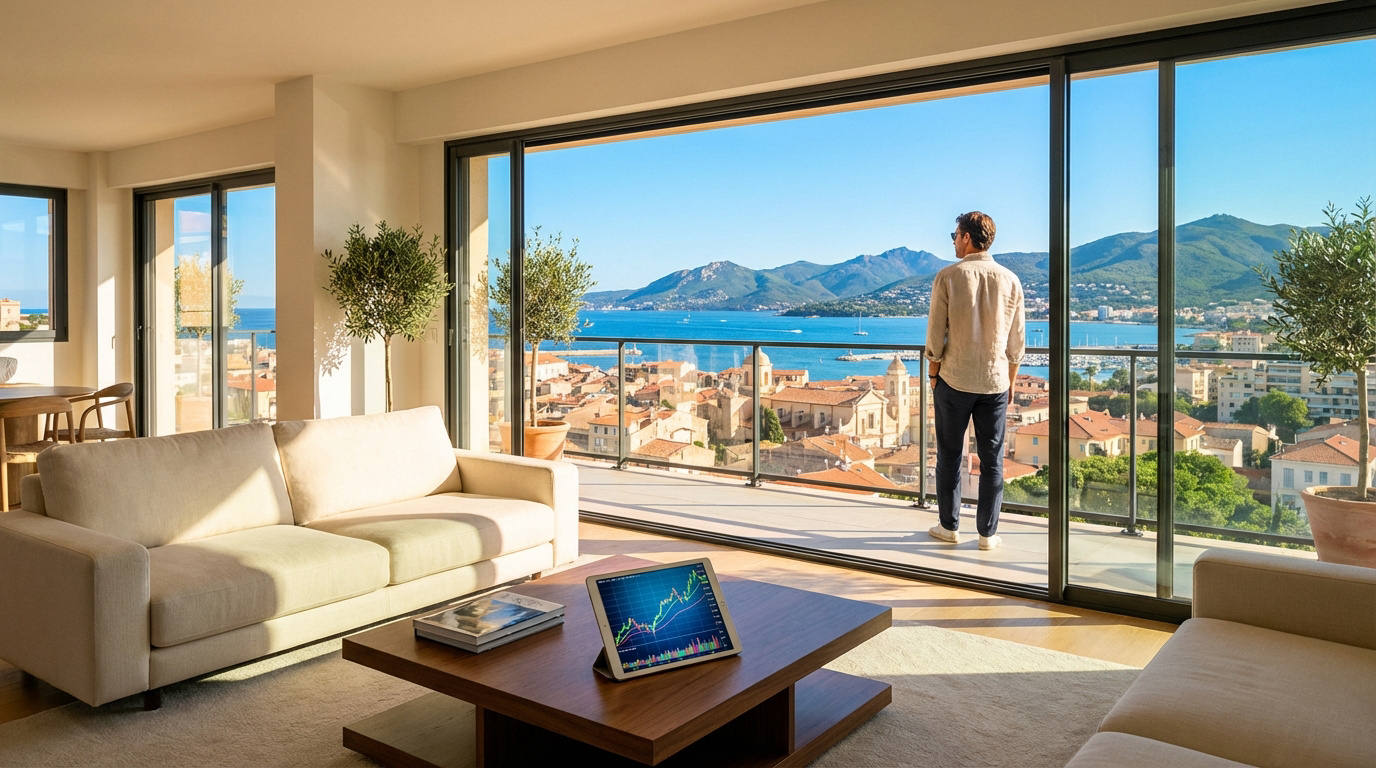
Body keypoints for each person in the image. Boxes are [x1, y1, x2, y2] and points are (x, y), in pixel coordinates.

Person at [924, 211, 1025, 551]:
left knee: (950, 455)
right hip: (995, 382)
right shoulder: (1011, 280)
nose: (953, 240)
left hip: (953, 379)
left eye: (954, 235)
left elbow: (936, 334)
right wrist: (1009, 382)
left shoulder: (949, 276)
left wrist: (934, 375)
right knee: (992, 459)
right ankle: (987, 535)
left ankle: (949, 526)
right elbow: (1016, 342)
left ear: (967, 238)